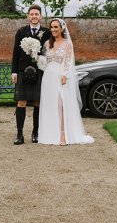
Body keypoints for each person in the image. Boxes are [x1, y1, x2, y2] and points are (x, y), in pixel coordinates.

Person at [37, 18, 94, 146]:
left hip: (61, 75)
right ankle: (50, 133)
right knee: (51, 105)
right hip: (48, 76)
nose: (53, 30)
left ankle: (63, 134)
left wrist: (65, 75)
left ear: (61, 28)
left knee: (61, 104)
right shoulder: (47, 43)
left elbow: (69, 60)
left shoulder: (67, 43)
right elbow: (44, 62)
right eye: (51, 27)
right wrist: (35, 55)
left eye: (56, 27)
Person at [11, 4, 51, 144]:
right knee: (21, 102)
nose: (34, 16)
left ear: (40, 16)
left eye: (36, 14)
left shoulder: (46, 32)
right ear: (28, 16)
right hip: (23, 71)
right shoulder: (21, 31)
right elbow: (15, 53)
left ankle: (36, 133)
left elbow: (50, 52)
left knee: (38, 102)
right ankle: (19, 134)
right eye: (32, 14)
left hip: (40, 71)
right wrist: (14, 71)